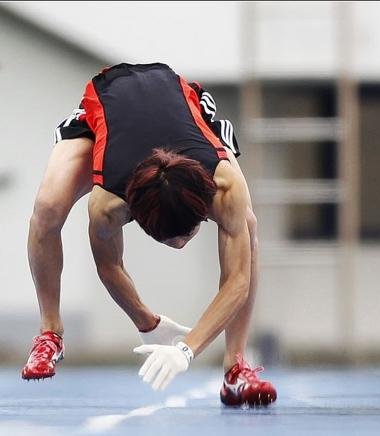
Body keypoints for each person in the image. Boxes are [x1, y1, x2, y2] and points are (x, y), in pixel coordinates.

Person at [21, 63, 276, 406]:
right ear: (135, 216)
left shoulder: (224, 185)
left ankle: (236, 369)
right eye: (170, 240)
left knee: (247, 224)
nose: (181, 245)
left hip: (179, 99)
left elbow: (238, 279)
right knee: (47, 208)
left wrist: (186, 351)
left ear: (205, 204)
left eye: (187, 233)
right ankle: (50, 331)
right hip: (108, 99)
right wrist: (148, 323)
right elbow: (109, 266)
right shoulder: (108, 204)